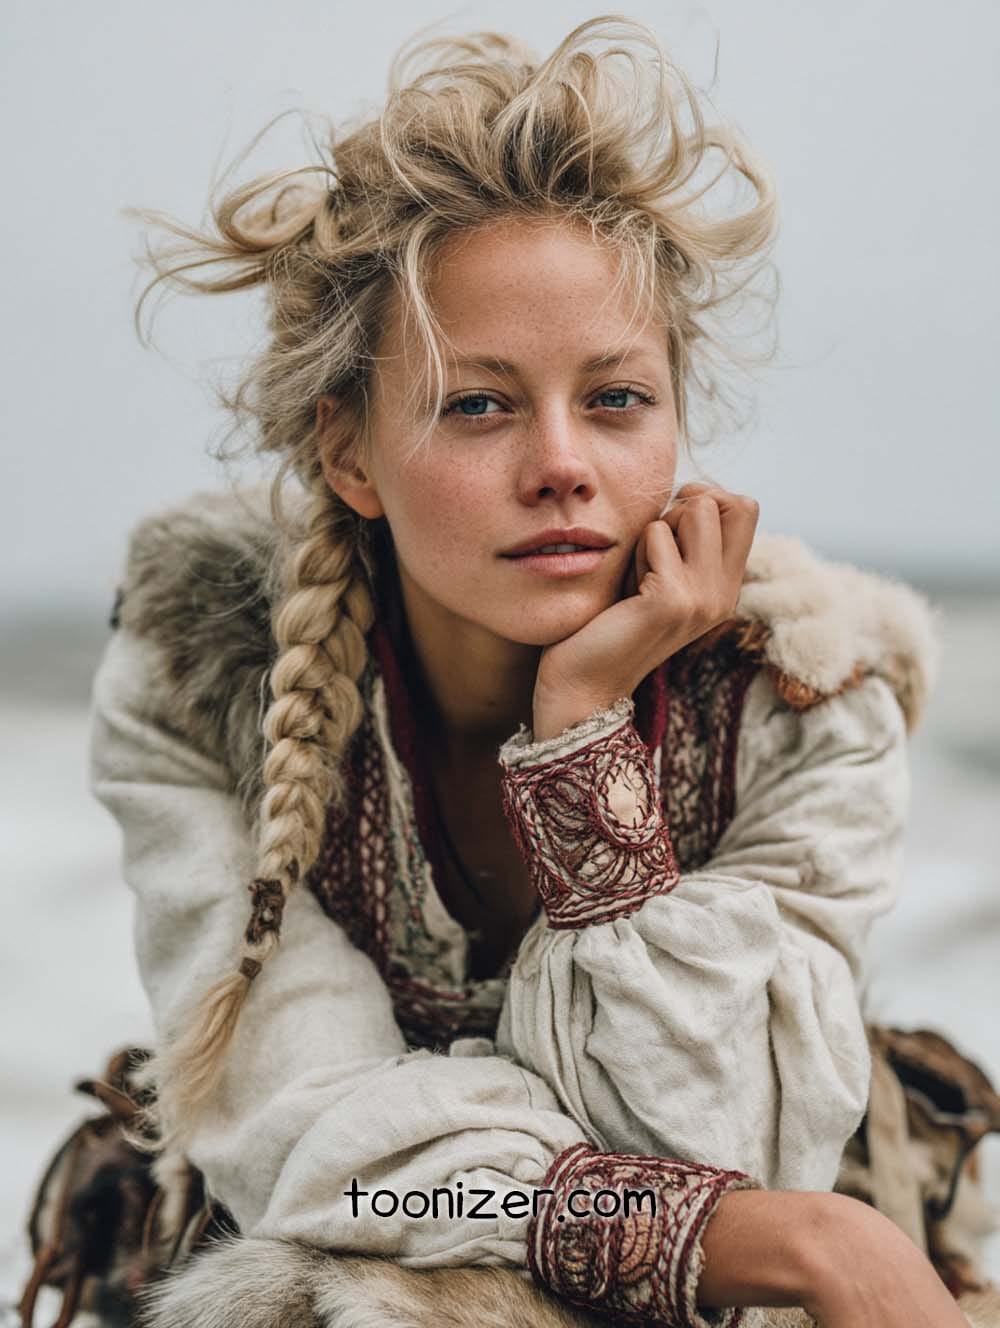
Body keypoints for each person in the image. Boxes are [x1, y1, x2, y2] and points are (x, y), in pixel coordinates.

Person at [49, 14, 997, 1328]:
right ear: (350, 454)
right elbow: (328, 1156)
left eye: (614, 399)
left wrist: (581, 737)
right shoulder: (205, 674)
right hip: (373, 1253)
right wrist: (801, 1247)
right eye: (479, 403)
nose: (563, 462)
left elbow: (720, 1140)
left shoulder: (810, 700)